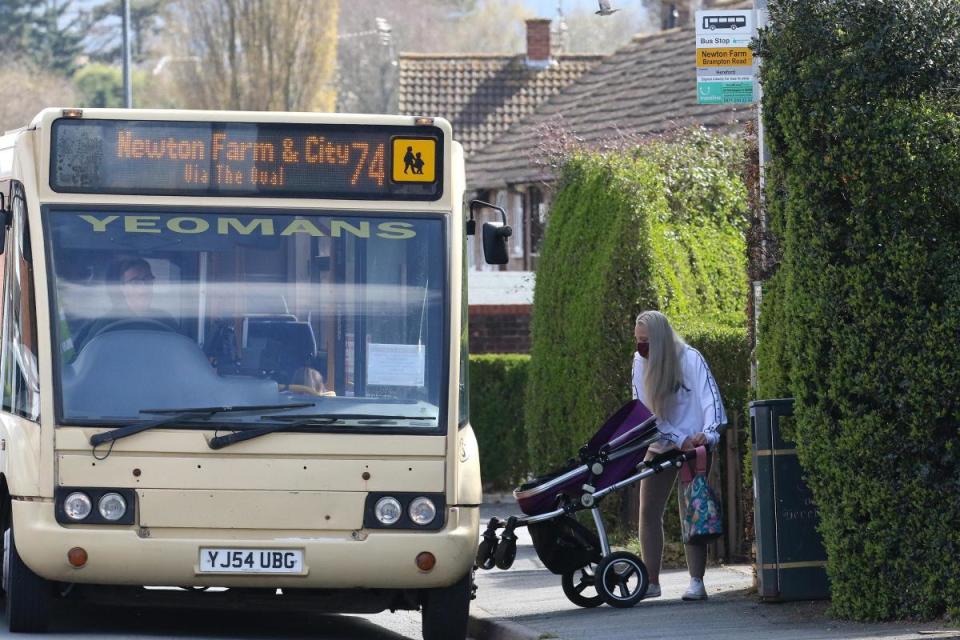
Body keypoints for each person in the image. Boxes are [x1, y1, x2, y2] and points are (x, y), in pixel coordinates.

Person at [631, 310, 726, 602]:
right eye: (637, 340)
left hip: (695, 445)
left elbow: (711, 401)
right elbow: (644, 412)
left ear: (659, 340)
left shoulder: (690, 358)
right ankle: (651, 581)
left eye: (645, 340)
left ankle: (697, 581)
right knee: (648, 511)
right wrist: (676, 437)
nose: (640, 346)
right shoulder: (639, 362)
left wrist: (707, 435)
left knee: (692, 509)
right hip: (662, 442)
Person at [74, 257, 178, 351]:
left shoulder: (166, 321)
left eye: (147, 279)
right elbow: (87, 361)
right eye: (135, 282)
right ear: (122, 288)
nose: (143, 288)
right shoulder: (104, 324)